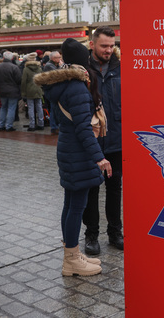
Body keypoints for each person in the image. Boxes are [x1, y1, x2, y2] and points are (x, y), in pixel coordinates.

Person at [34, 38, 111, 276]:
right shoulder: (77, 86)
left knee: (70, 205)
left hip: (69, 149)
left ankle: (73, 253)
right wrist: (100, 158)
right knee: (76, 207)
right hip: (78, 152)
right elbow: (83, 128)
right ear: (83, 60)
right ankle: (71, 261)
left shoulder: (62, 82)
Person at [83, 26, 124, 255]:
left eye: (111, 46)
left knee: (114, 187)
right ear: (92, 45)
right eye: (104, 46)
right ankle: (91, 235)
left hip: (117, 140)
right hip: (93, 140)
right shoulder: (83, 69)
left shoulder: (121, 68)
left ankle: (115, 232)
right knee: (91, 189)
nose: (108, 50)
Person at [0, 51, 21, 132]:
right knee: (11, 108)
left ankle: (1, 125)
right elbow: (19, 80)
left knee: (3, 108)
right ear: (12, 58)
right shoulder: (14, 67)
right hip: (13, 91)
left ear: (3, 58)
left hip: (2, 91)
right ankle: (9, 126)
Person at [21, 53, 45, 131]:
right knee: (39, 107)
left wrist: (23, 92)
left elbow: (24, 81)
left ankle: (32, 125)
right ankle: (41, 124)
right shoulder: (39, 68)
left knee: (30, 108)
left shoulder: (26, 69)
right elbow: (42, 79)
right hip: (38, 89)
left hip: (29, 90)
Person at [44, 51, 63, 135]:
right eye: (58, 57)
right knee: (54, 109)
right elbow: (58, 75)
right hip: (51, 90)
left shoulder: (52, 65)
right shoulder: (49, 66)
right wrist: (61, 67)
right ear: (53, 58)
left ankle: (56, 126)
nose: (60, 59)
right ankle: (54, 127)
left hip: (53, 90)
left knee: (55, 109)